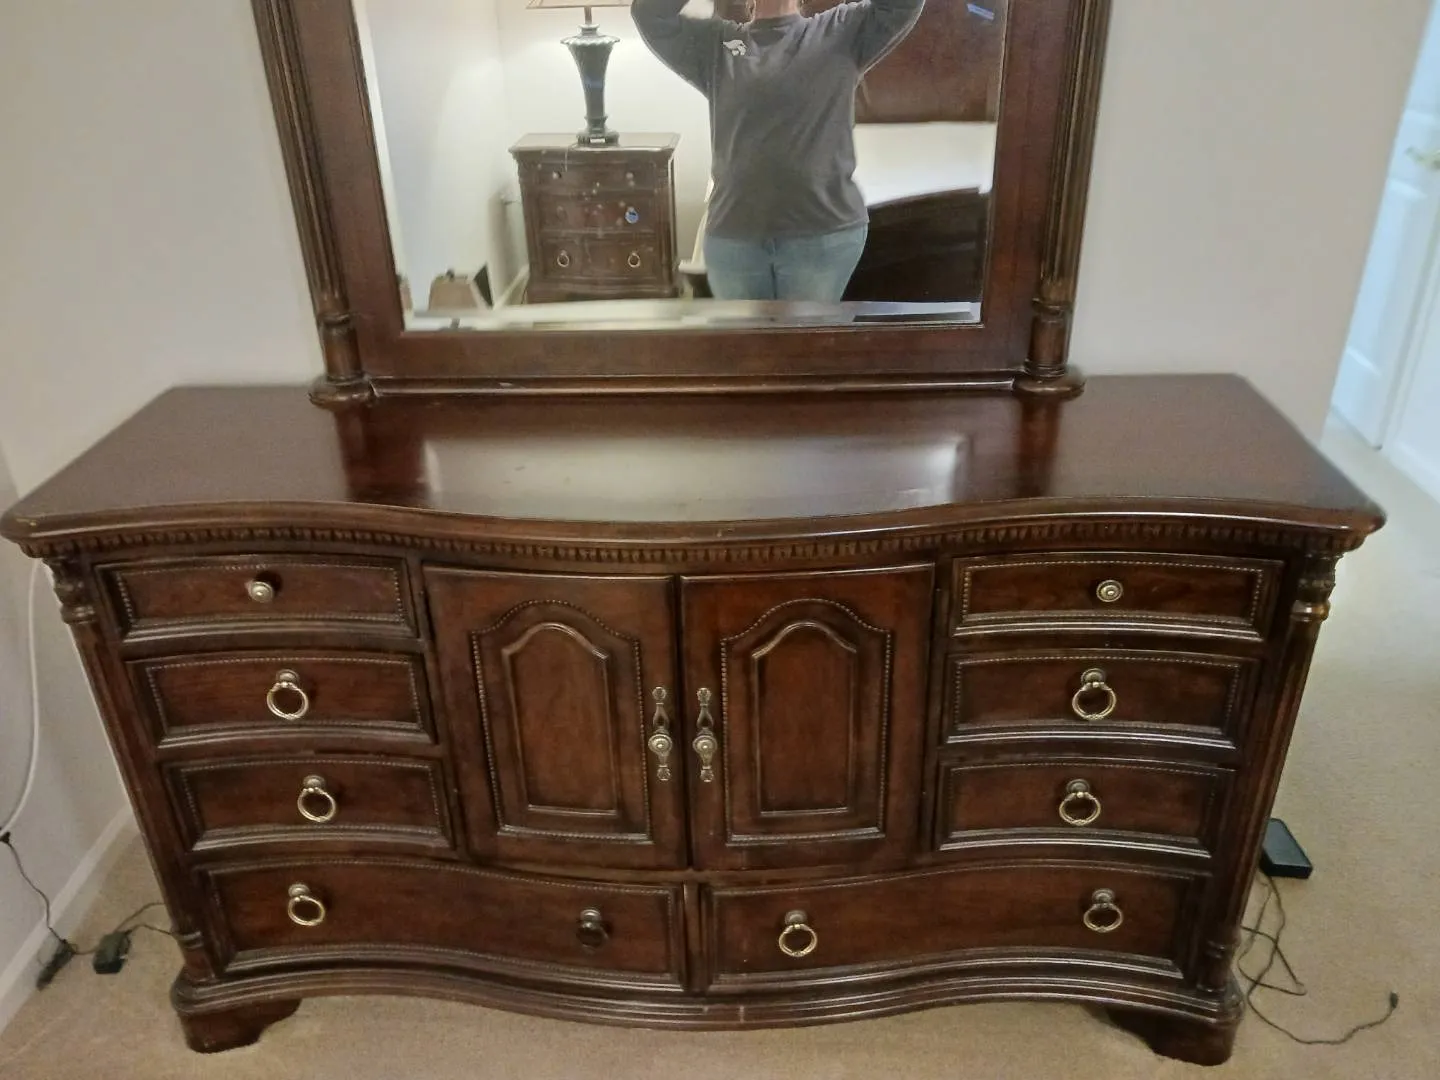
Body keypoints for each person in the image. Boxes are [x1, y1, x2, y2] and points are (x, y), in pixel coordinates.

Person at [633, 0, 925, 303]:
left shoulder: (841, 30)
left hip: (823, 237)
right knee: (745, 337)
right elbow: (650, 15)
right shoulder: (717, 44)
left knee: (806, 337)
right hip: (734, 241)